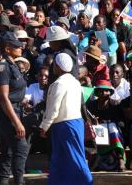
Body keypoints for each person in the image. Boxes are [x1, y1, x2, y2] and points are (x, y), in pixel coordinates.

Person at [39, 53, 92, 185]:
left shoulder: (59, 83)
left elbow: (53, 109)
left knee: (75, 158)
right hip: (73, 124)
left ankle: (87, 182)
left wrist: (44, 126)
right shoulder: (75, 82)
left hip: (65, 125)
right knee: (59, 160)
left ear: (58, 66)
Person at [0, 31, 29, 185]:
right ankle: (19, 182)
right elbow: (3, 97)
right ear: (7, 49)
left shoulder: (12, 64)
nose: (20, 48)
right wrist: (17, 122)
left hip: (13, 109)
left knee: (7, 150)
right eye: (16, 46)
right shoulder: (3, 67)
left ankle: (4, 181)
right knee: (21, 148)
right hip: (5, 112)